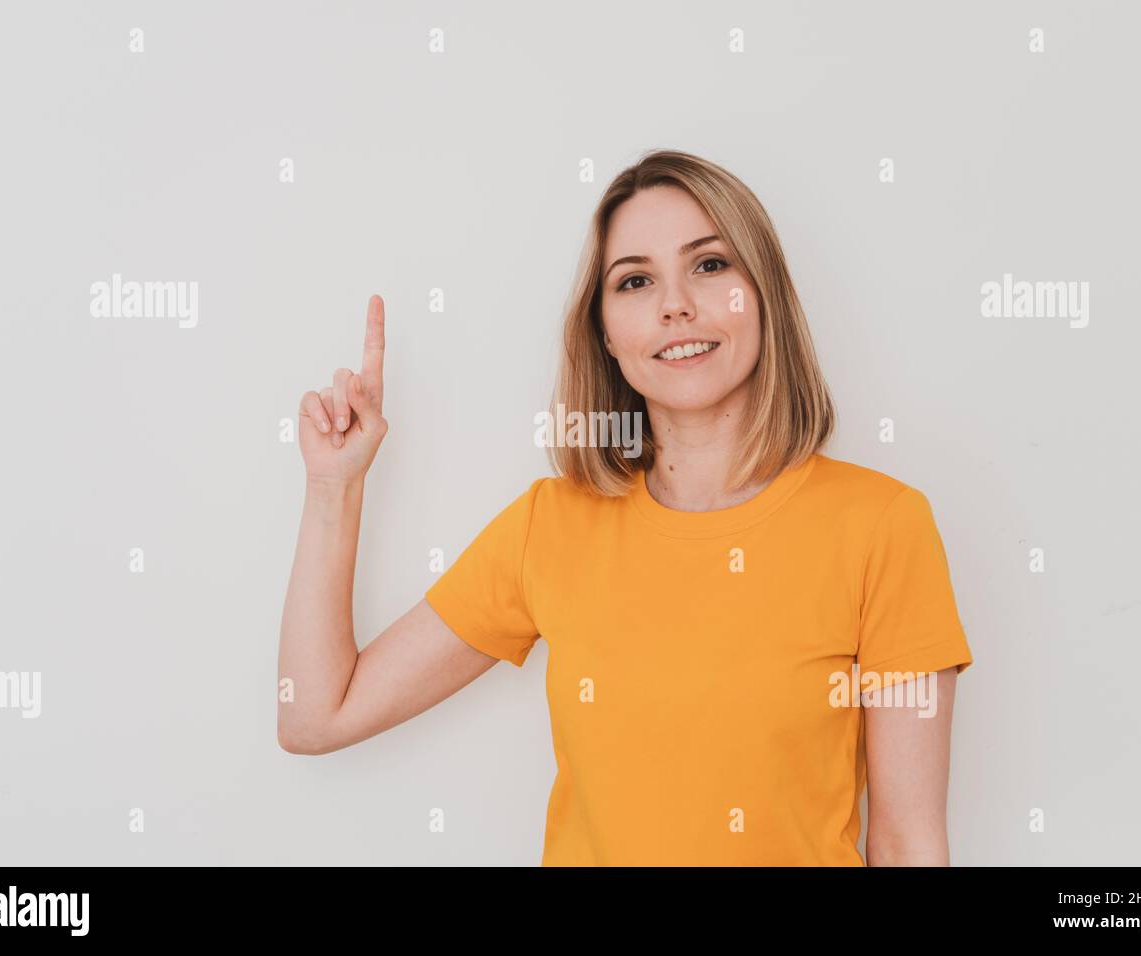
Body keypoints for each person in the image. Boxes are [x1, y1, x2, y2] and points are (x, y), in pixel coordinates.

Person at [277, 149, 974, 866]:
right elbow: (315, 715)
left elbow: (906, 841)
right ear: (606, 334)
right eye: (635, 280)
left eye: (709, 265)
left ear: (762, 294)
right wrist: (334, 487)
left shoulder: (882, 526)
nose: (675, 304)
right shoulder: (550, 526)